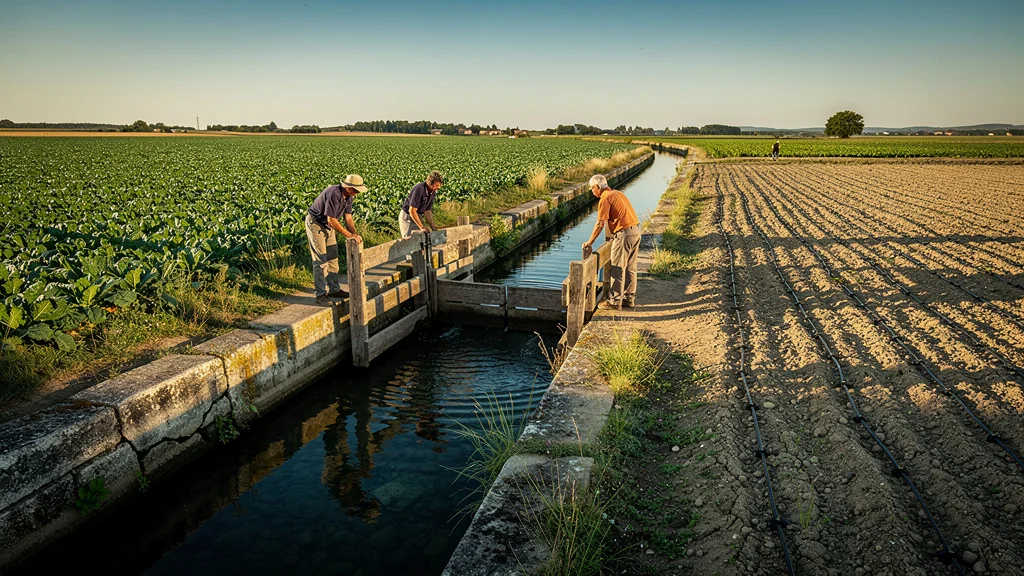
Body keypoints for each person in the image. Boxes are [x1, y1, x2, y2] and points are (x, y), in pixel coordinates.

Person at [305, 174, 367, 305]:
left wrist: (354, 234)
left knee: (333, 258)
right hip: (316, 224)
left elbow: (348, 218)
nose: (357, 193)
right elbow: (331, 220)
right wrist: (349, 235)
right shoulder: (334, 193)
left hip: (329, 226)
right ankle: (320, 294)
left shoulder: (349, 197)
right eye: (355, 190)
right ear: (349, 188)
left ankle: (334, 289)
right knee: (320, 260)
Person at [581, 174, 641, 310]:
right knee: (631, 267)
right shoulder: (618, 194)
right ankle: (628, 299)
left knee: (617, 267)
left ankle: (614, 301)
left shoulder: (605, 198)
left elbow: (600, 223)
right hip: (636, 230)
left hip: (624, 234)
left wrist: (590, 242)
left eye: (592, 188)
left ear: (597, 187)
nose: (592, 191)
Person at [400, 171, 443, 238]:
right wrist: (422, 227)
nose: (439, 187)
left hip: (417, 215)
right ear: (431, 184)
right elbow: (412, 210)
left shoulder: (433, 192)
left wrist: (434, 228)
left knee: (419, 240)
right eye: (437, 185)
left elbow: (427, 211)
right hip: (408, 216)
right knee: (409, 242)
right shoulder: (419, 189)